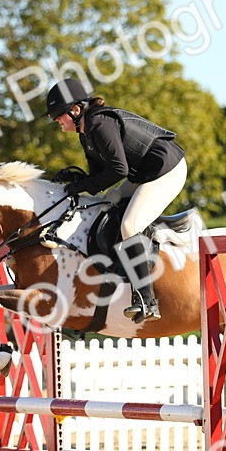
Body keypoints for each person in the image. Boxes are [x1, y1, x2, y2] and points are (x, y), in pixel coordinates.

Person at [45, 78, 187, 324]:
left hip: (167, 169)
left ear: (76, 110)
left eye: (59, 115)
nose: (56, 120)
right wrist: (79, 180)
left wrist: (83, 185)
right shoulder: (86, 132)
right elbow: (100, 176)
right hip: (144, 173)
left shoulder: (99, 123)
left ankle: (146, 299)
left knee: (129, 225)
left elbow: (118, 170)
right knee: (108, 200)